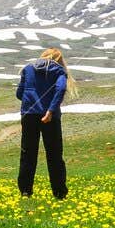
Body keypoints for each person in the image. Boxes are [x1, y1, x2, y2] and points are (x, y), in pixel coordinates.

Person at [16, 47, 75, 199]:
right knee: (54, 155)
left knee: (28, 154)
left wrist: (31, 102)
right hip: (50, 117)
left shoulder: (28, 69)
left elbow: (19, 93)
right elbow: (61, 88)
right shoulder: (59, 71)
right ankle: (59, 193)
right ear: (58, 59)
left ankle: (25, 191)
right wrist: (50, 110)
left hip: (29, 115)